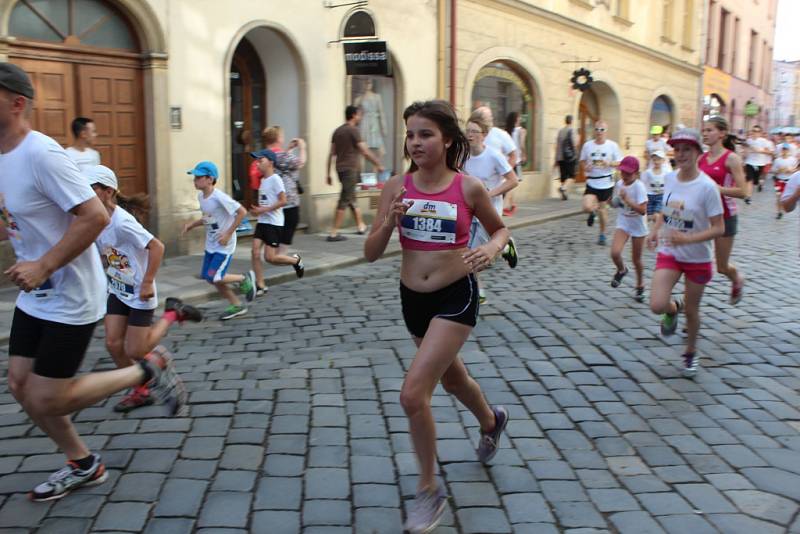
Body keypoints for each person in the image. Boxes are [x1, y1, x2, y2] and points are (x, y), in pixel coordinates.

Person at [0, 62, 186, 501]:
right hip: (35, 295)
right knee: (19, 386)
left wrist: (44, 264)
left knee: (48, 398)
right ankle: (84, 464)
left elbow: (95, 216)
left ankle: (147, 368)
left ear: (16, 102)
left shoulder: (41, 153)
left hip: (70, 293)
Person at [364, 100, 510, 534]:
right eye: (410, 134)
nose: (415, 142)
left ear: (447, 139)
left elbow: (500, 230)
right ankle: (491, 420)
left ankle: (429, 489)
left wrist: (490, 248)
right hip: (414, 301)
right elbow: (370, 254)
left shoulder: (468, 188)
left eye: (425, 134)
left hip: (456, 295)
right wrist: (389, 224)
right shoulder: (396, 186)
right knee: (451, 379)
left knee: (413, 394)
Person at [88, 164, 203, 412]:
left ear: (108, 192)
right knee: (113, 344)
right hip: (118, 289)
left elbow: (157, 247)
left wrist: (148, 281)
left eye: (91, 189)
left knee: (137, 349)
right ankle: (140, 391)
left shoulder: (122, 222)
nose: (85, 195)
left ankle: (173, 313)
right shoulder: (95, 219)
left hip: (140, 291)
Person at [648, 128, 724, 378]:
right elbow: (667, 209)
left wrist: (688, 238)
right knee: (657, 304)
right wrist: (655, 230)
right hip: (670, 250)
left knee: (692, 311)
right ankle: (672, 309)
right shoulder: (670, 178)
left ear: (697, 153)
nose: (680, 154)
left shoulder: (707, 187)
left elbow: (719, 228)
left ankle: (690, 351)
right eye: (677, 149)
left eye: (686, 150)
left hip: (697, 257)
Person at [181, 161, 256, 320]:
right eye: (195, 177)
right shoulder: (201, 196)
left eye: (198, 177)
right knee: (209, 277)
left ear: (210, 179)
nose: (195, 180)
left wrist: (228, 234)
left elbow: (242, 212)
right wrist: (192, 225)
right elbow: (209, 217)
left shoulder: (220, 197)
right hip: (212, 243)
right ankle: (236, 304)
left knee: (215, 276)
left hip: (224, 244)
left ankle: (244, 278)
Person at [465, 112, 519, 303]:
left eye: (474, 131)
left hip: (489, 213)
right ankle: (479, 292)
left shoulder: (494, 156)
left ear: (484, 135)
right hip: (468, 213)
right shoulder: (462, 155)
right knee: (468, 252)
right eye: (468, 131)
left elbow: (513, 180)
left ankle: (504, 245)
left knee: (478, 253)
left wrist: (490, 194)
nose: (470, 135)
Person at [699, 116, 747, 304]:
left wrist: (718, 189)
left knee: (721, 267)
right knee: (696, 263)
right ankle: (691, 310)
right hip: (703, 216)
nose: (705, 133)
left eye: (709, 130)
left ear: (722, 133)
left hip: (725, 216)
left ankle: (736, 278)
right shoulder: (701, 158)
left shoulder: (732, 158)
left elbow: (743, 191)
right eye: (704, 130)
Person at [249, 148, 305, 293]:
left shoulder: (276, 179)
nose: (257, 164)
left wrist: (263, 210)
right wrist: (258, 211)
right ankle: (260, 285)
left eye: (260, 161)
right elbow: (266, 202)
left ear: (270, 163)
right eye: (257, 161)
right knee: (255, 252)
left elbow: (283, 201)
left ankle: (296, 261)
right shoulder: (263, 180)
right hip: (262, 222)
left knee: (270, 258)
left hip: (274, 223)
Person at [325, 105, 385, 241]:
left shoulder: (337, 131)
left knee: (351, 197)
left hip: (340, 169)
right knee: (345, 198)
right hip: (350, 169)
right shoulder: (353, 130)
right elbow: (364, 150)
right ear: (353, 115)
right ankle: (333, 233)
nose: (360, 117)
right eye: (359, 115)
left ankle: (361, 226)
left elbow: (331, 154)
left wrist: (328, 173)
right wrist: (377, 163)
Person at [609, 156, 648, 302]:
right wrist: (611, 202)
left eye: (628, 173)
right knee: (615, 252)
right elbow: (616, 203)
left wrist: (628, 200)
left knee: (636, 259)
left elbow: (643, 210)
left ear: (636, 173)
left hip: (638, 225)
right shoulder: (619, 184)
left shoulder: (639, 187)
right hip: (624, 222)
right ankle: (621, 270)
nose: (624, 175)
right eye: (623, 172)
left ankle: (640, 285)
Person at [579, 120, 622, 245]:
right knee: (586, 206)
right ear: (594, 131)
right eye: (597, 129)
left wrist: (610, 163)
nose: (599, 132)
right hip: (592, 181)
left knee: (603, 211)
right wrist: (585, 167)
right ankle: (592, 211)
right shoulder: (587, 145)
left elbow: (620, 162)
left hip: (606, 182)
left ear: (606, 131)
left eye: (602, 129)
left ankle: (602, 234)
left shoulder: (612, 145)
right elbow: (582, 161)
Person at [473, 106, 518, 215]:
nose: (489, 121)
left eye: (490, 118)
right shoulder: (472, 135)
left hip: (493, 185)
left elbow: (513, 156)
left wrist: (504, 174)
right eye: (485, 118)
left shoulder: (500, 135)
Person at [743, 125, 774, 201]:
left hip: (760, 163)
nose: (755, 133)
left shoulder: (764, 141)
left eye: (757, 131)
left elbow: (770, 152)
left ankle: (760, 184)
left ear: (760, 133)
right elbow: (745, 151)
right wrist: (744, 154)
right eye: (754, 131)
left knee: (756, 181)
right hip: (749, 162)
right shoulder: (748, 141)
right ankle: (748, 196)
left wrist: (760, 151)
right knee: (749, 179)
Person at [504, 111, 526, 212]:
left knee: (511, 182)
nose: (520, 119)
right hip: (516, 160)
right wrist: (524, 154)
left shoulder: (507, 130)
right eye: (519, 117)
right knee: (513, 182)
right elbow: (521, 144)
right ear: (517, 119)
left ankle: (512, 204)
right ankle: (505, 206)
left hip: (506, 160)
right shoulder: (521, 131)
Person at [772, 143, 798, 219]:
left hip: (789, 181)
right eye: (783, 149)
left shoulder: (793, 159)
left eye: (786, 149)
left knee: (785, 197)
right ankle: (779, 212)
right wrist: (779, 170)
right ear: (781, 150)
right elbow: (773, 171)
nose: (784, 151)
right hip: (779, 180)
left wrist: (790, 170)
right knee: (778, 196)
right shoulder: (777, 160)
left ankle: (784, 208)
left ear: (788, 150)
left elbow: (796, 170)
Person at [641, 149, 667, 225]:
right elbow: (643, 183)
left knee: (656, 215)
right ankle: (652, 232)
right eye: (654, 160)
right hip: (649, 197)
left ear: (663, 160)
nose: (656, 162)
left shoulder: (666, 172)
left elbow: (670, 184)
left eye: (659, 160)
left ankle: (655, 233)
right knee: (649, 217)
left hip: (660, 197)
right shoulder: (648, 172)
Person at [554, 115, 577, 200]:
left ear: (565, 121)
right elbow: (574, 144)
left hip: (560, 157)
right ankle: (563, 188)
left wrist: (556, 159)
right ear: (571, 121)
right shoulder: (572, 130)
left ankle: (563, 195)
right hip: (569, 157)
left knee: (563, 176)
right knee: (571, 176)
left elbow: (557, 145)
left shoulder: (560, 131)